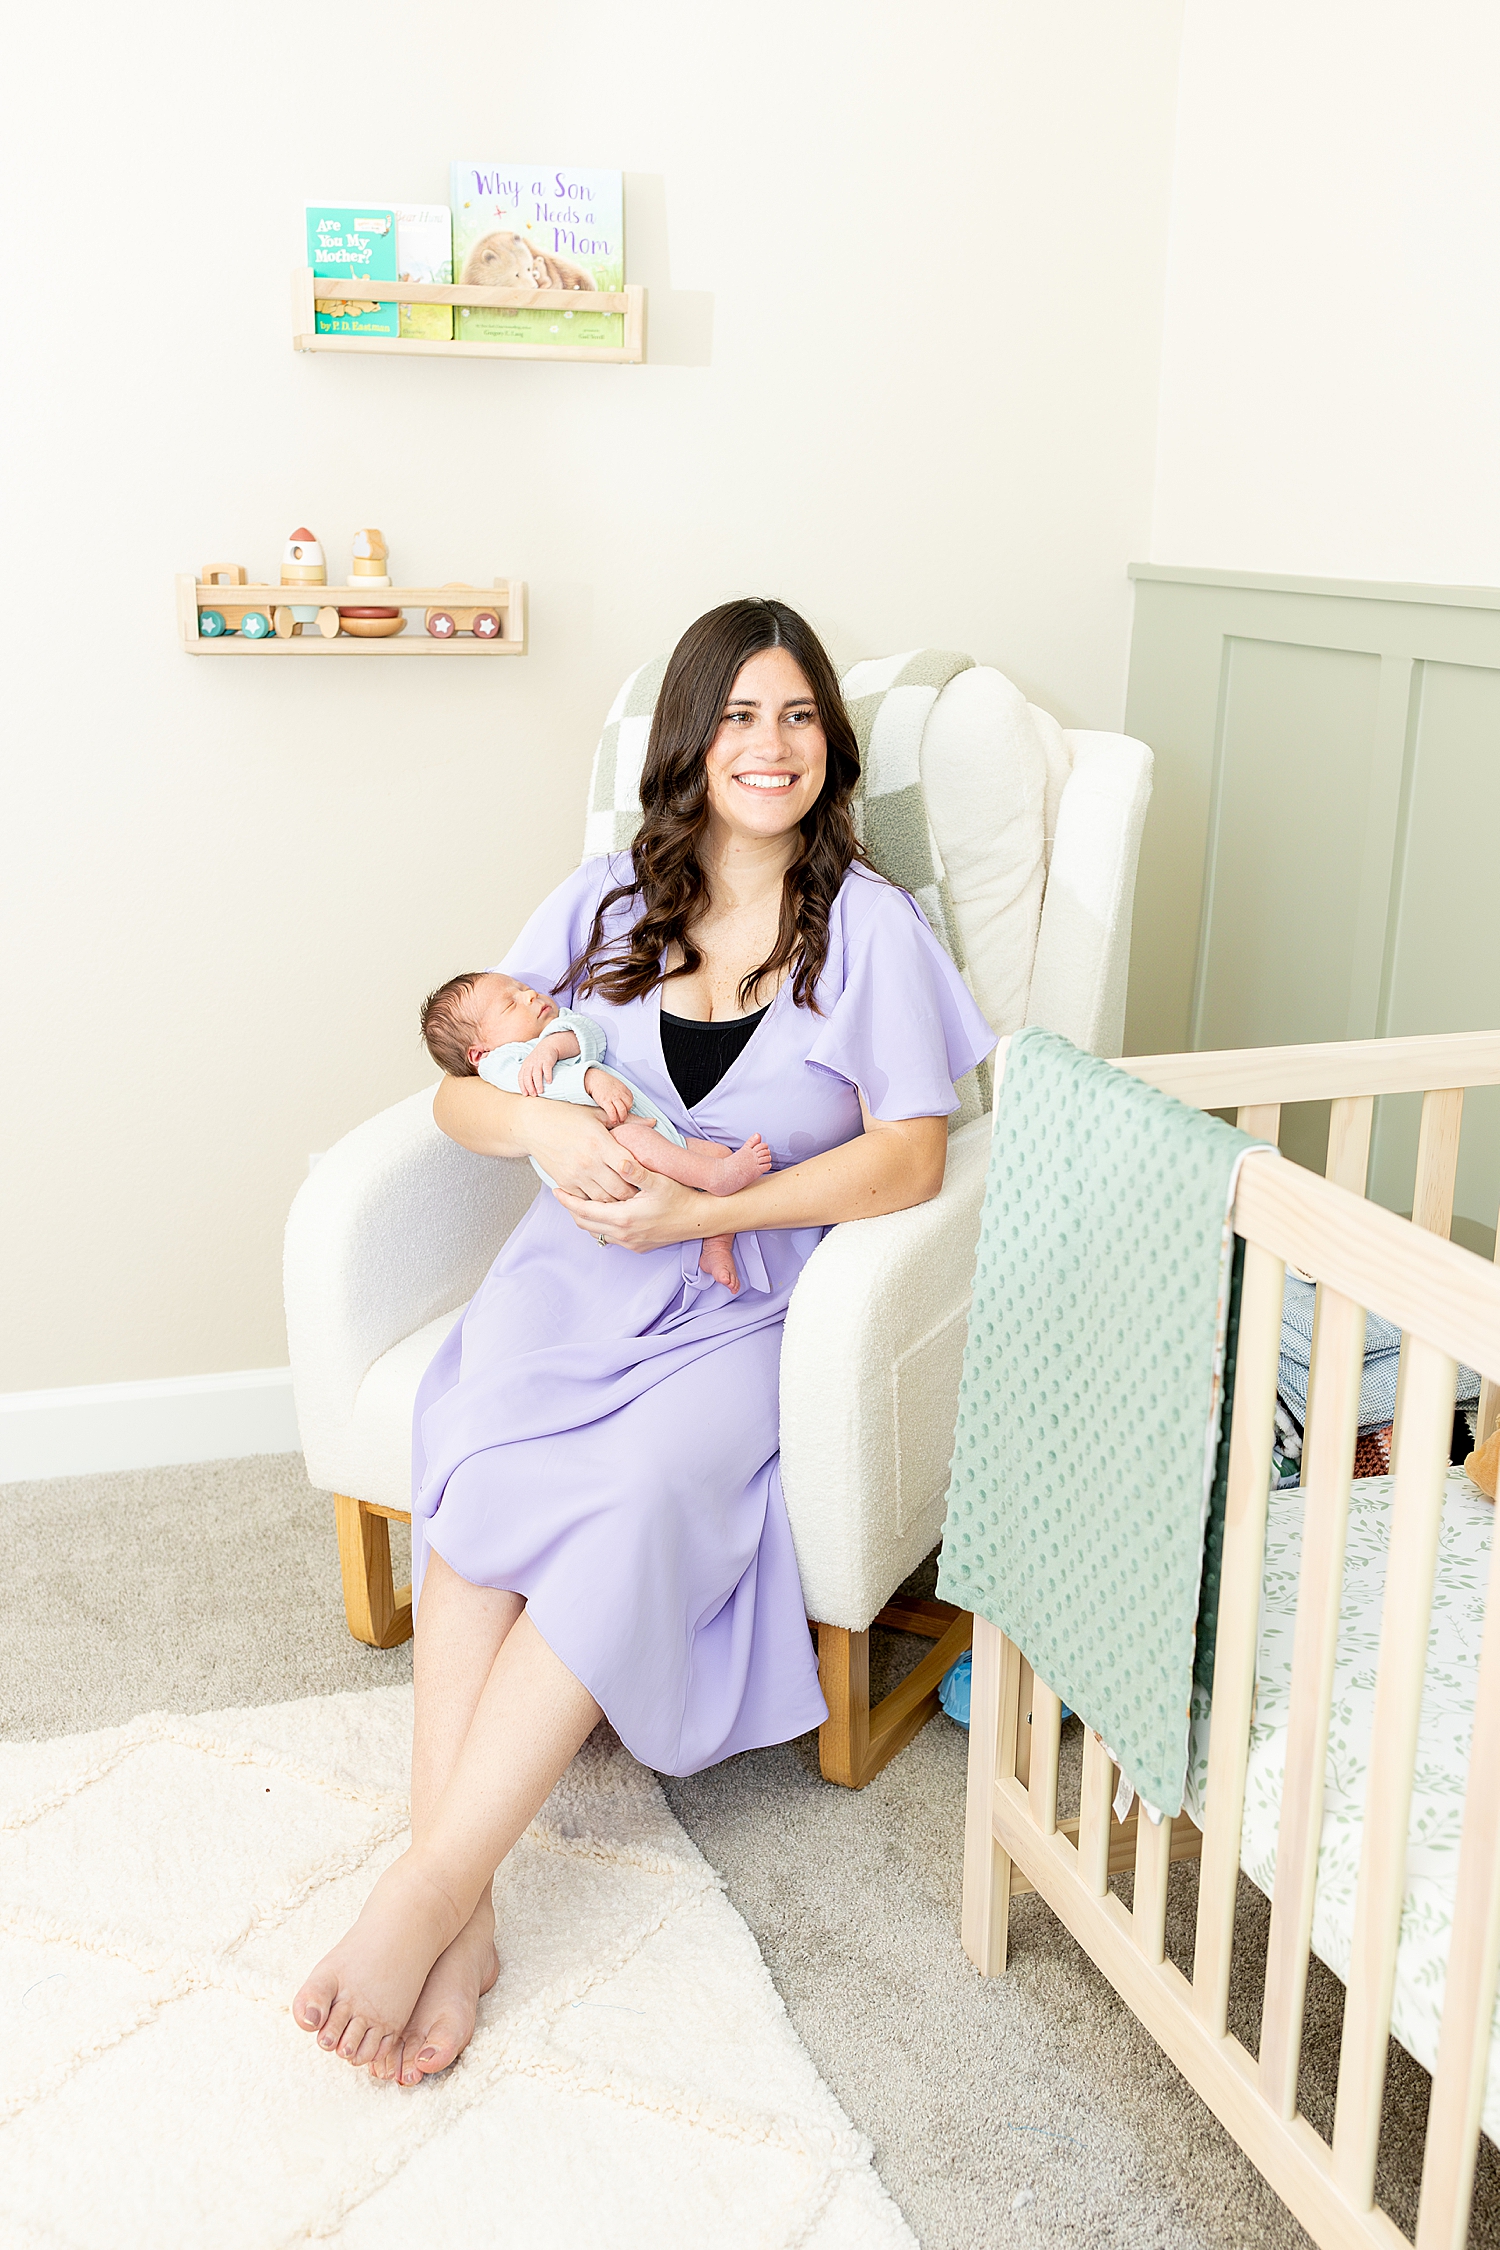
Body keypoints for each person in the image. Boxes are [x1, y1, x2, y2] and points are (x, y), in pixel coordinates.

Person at [292, 596, 997, 2089]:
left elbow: (912, 1159)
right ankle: (464, 1897)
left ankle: (424, 1888)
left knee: (644, 1494)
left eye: (799, 714)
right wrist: (547, 1120)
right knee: (474, 1455)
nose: (772, 743)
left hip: (748, 1292)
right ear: (691, 735)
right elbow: (464, 1097)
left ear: (831, 746)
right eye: (740, 714)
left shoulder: (868, 927)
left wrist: (688, 1221)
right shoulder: (608, 897)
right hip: (573, 1280)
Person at [417, 968, 773, 1290]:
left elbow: (587, 1034)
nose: (529, 996)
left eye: (523, 988)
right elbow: (539, 1086)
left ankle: (715, 1243)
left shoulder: (556, 1028)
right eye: (510, 1005)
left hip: (659, 1139)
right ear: (478, 1054)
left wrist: (553, 1046)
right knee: (641, 1141)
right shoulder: (500, 1063)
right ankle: (714, 1178)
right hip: (611, 1157)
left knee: (718, 1153)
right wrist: (587, 1078)